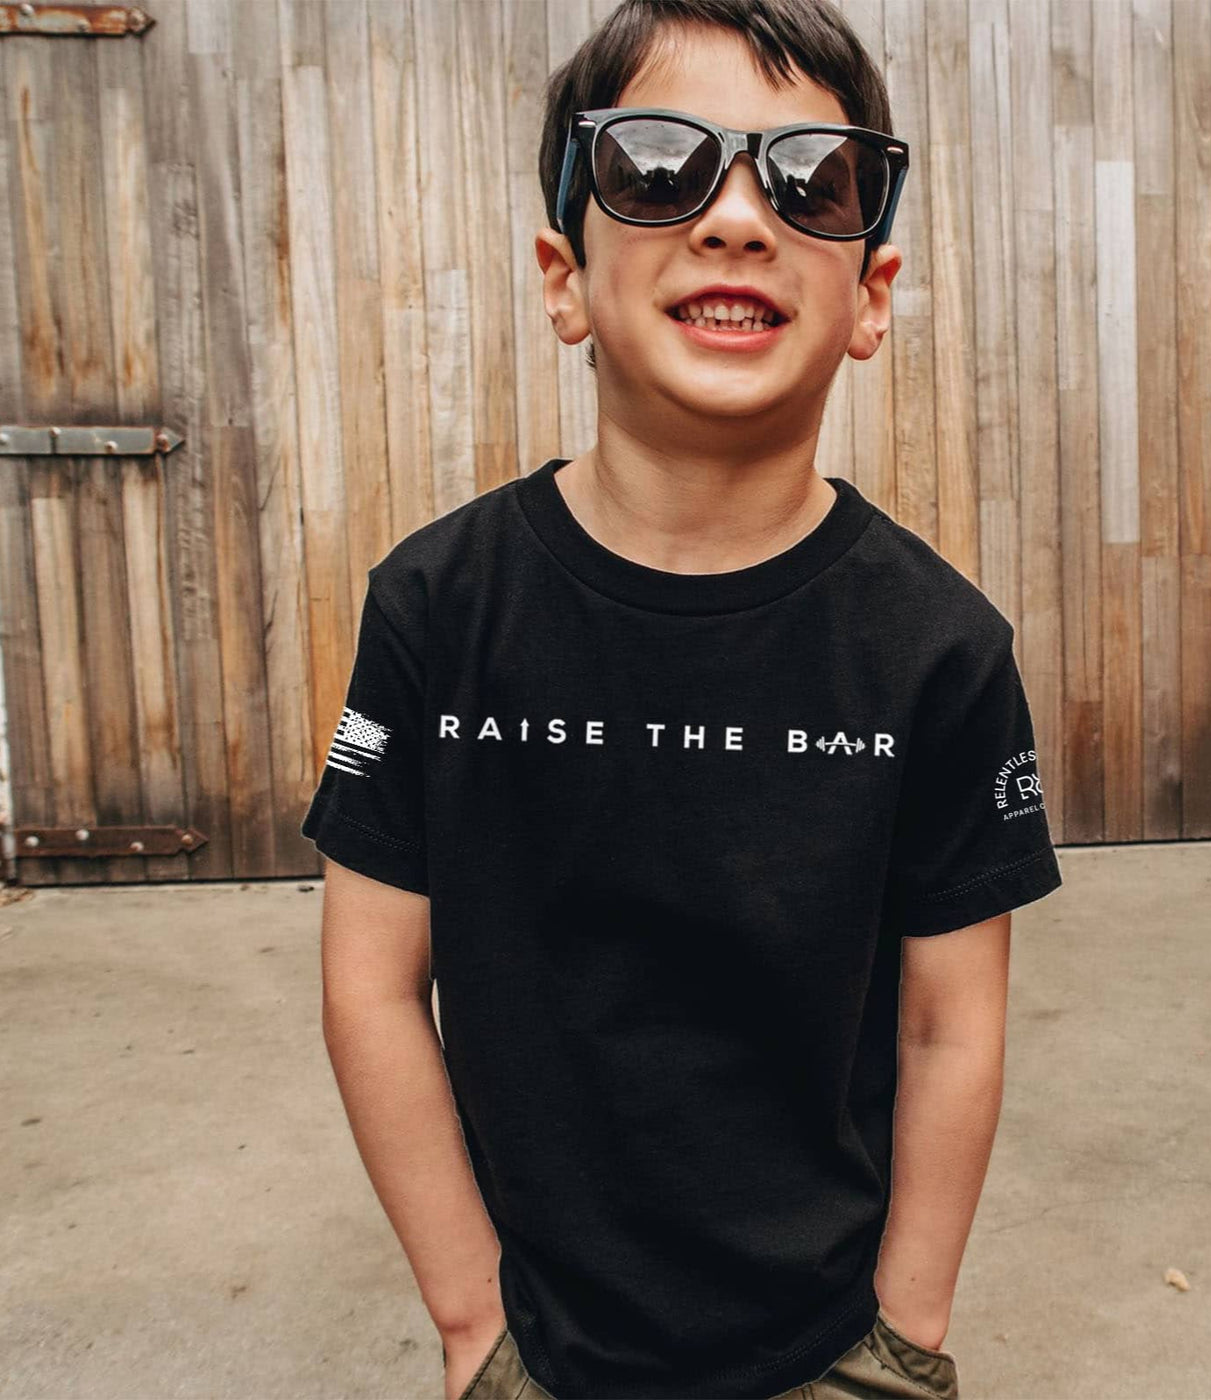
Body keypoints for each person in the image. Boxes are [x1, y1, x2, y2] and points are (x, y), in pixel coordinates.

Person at [302, 2, 1064, 1397]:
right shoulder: (438, 608)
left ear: (871, 294)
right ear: (563, 277)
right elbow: (370, 984)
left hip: (829, 1341)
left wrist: (903, 1336)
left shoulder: (939, 649)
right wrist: (477, 1328)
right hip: (542, 1342)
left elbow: (952, 1023)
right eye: (658, 169)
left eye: (806, 180)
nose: (732, 218)